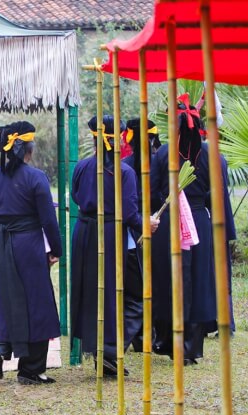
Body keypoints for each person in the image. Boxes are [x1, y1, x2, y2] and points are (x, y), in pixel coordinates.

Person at [71, 115, 159, 377]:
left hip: (85, 234)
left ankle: (104, 350)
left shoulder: (82, 167)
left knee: (94, 293)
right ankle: (109, 350)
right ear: (120, 139)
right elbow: (131, 215)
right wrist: (148, 223)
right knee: (126, 295)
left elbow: (77, 196)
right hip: (111, 235)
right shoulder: (124, 172)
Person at [149, 95, 230, 364]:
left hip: (171, 221)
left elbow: (152, 192)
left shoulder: (162, 153)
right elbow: (215, 194)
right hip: (199, 222)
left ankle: (171, 343)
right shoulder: (211, 154)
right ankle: (193, 348)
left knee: (171, 280)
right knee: (198, 281)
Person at [0, 121, 61, 384]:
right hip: (29, 244)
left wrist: (3, 236)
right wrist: (55, 249)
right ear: (28, 147)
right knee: (37, 302)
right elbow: (48, 219)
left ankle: (0, 350)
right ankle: (31, 369)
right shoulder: (36, 177)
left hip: (2, 245)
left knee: (7, 298)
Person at [121, 118, 161, 351]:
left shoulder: (124, 164)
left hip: (132, 226)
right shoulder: (159, 162)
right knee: (151, 282)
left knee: (134, 285)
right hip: (155, 223)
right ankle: (148, 335)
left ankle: (138, 337)